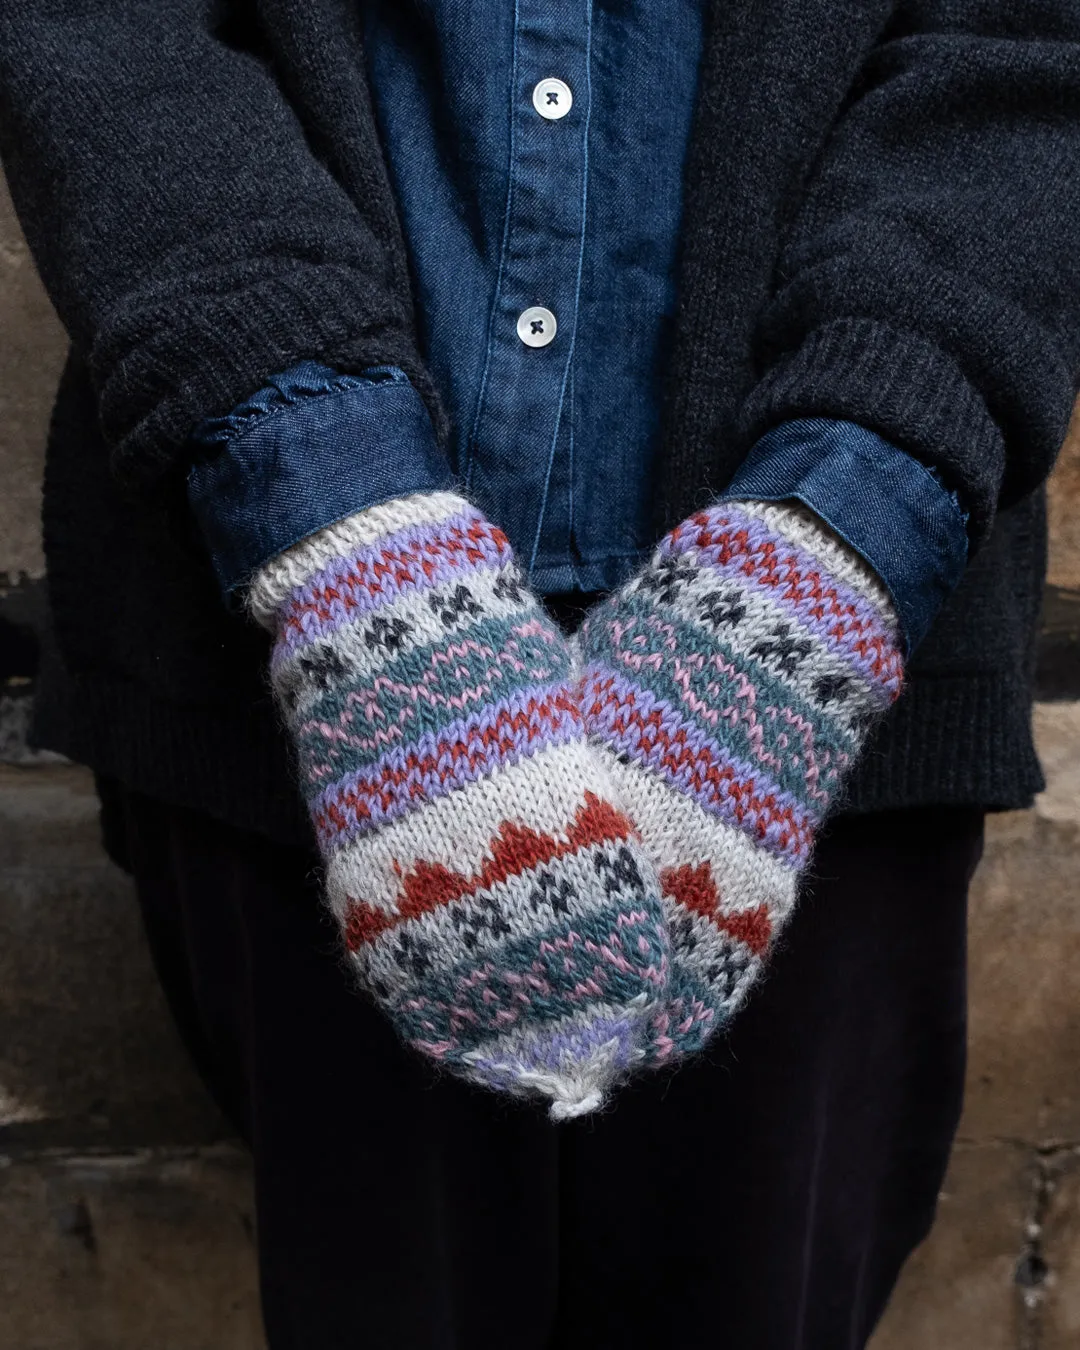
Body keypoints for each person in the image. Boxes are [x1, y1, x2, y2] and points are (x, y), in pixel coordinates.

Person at [2, 2, 1079, 1345]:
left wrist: (835, 538)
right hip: (296, 668)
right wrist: (330, 509)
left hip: (828, 710)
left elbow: (1028, 49)